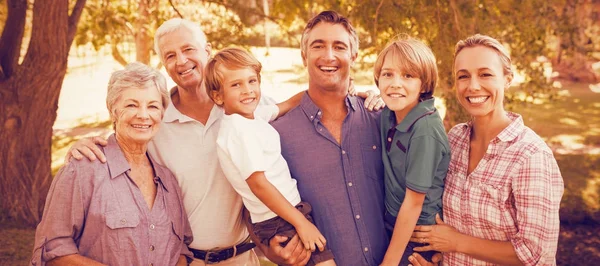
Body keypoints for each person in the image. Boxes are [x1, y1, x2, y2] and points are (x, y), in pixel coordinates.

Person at [65, 18, 384, 265]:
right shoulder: (156, 121)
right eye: (170, 55)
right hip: (185, 259)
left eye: (189, 49)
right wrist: (88, 144)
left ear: (207, 51)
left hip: (245, 255)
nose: (182, 61)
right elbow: (125, 140)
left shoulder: (247, 108)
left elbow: (301, 100)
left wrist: (359, 93)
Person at [408, 34, 564, 266]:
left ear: (507, 78)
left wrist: (456, 242)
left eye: (485, 74)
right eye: (463, 76)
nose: (473, 86)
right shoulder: (455, 139)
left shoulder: (530, 155)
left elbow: (534, 253)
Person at [31, 62, 193, 266]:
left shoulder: (168, 181)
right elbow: (53, 250)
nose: (143, 115)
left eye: (152, 106)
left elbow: (180, 249)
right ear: (113, 111)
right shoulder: (82, 170)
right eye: (131, 105)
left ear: (161, 113)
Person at [261, 10, 390, 266]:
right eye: (318, 45)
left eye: (339, 46)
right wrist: (268, 249)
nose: (328, 56)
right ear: (304, 55)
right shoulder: (277, 133)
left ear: (353, 56)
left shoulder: (381, 119)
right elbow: (254, 199)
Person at [205, 46, 336, 266]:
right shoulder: (239, 131)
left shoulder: (251, 117)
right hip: (279, 219)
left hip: (286, 214)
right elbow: (259, 185)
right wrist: (301, 224)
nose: (247, 90)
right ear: (218, 96)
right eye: (236, 85)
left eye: (252, 81)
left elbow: (286, 105)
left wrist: (329, 92)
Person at [371, 36, 450, 266]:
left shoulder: (425, 129)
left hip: (417, 234)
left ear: (424, 84)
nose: (395, 83)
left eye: (408, 75)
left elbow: (414, 203)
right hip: (392, 222)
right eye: (388, 74)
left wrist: (390, 261)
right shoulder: (389, 112)